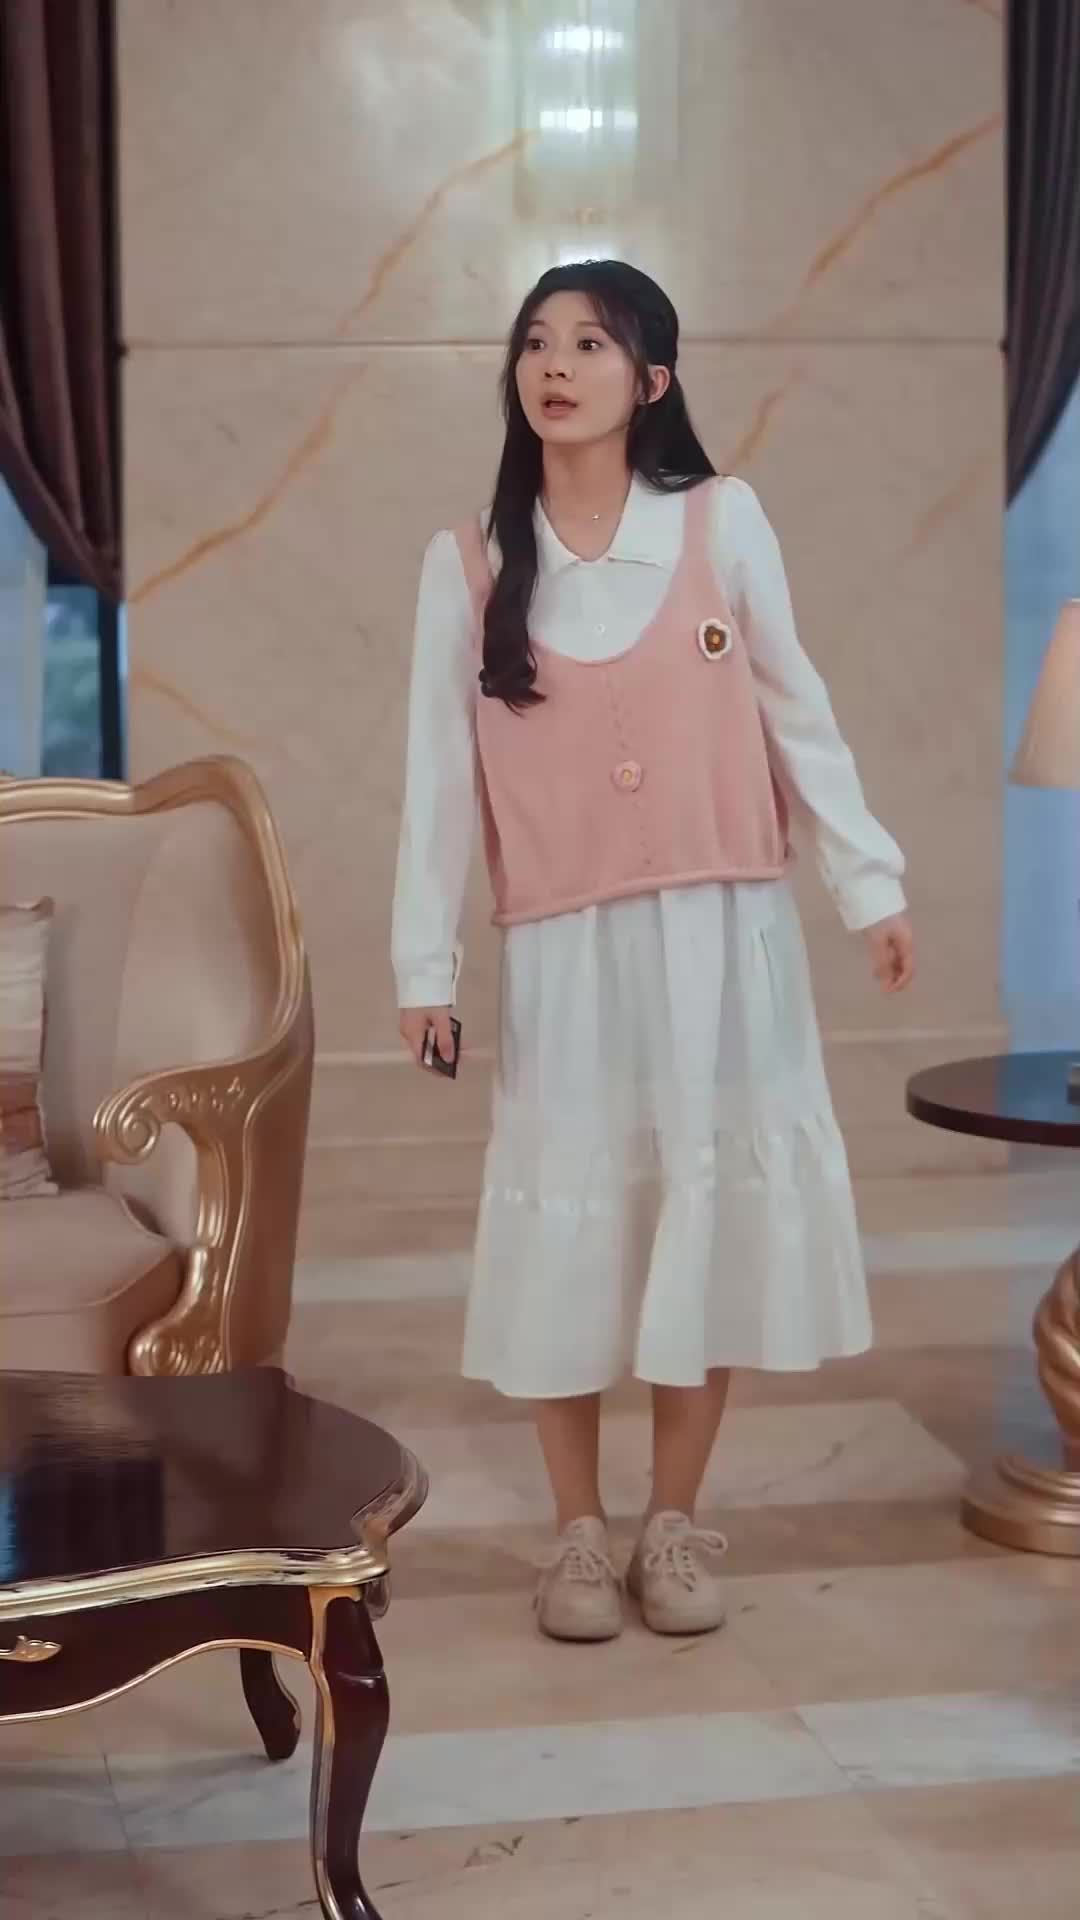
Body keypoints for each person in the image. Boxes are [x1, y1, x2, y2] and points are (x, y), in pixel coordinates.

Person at [392, 260, 913, 1644]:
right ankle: (577, 1535)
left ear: (654, 379)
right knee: (569, 1227)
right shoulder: (471, 564)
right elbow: (437, 781)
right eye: (536, 343)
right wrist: (424, 970)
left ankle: (671, 1523)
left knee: (705, 1210)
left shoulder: (721, 522)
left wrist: (869, 884)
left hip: (721, 938)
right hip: (564, 949)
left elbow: (799, 711)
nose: (556, 367)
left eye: (592, 344)